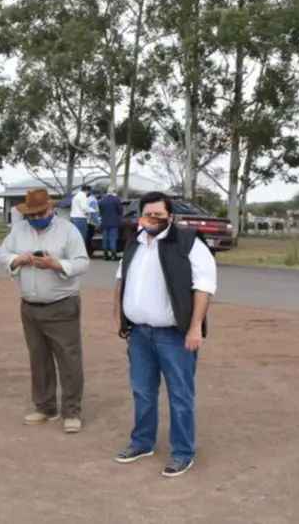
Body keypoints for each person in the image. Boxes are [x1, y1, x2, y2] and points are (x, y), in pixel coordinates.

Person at [112, 191, 217, 478]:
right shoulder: (135, 243)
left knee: (180, 395)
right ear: (141, 216)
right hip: (139, 335)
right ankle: (142, 443)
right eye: (148, 214)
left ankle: (182, 452)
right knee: (143, 392)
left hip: (175, 335)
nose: (153, 219)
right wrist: (119, 313)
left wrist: (195, 326)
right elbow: (121, 278)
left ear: (170, 216)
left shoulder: (188, 243)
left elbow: (204, 286)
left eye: (159, 215)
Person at [0, 188, 90, 433]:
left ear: (51, 209)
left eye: (41, 214)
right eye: (32, 215)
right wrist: (17, 260)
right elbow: (2, 254)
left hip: (62, 305)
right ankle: (45, 406)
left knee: (69, 360)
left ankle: (71, 411)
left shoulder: (68, 231)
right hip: (29, 306)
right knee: (39, 360)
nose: (37, 218)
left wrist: (56, 264)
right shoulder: (19, 231)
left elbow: (82, 262)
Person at [98, 190, 124, 261]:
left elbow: (100, 211)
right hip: (114, 222)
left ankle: (105, 254)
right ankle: (113, 254)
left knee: (105, 239)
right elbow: (120, 211)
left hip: (105, 222)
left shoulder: (102, 200)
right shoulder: (116, 200)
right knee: (112, 239)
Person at [85, 190, 102, 255]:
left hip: (87, 220)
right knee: (89, 237)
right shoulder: (93, 201)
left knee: (87, 237)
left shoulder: (87, 199)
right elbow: (93, 212)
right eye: (99, 194)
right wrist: (97, 221)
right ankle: (89, 251)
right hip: (91, 221)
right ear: (97, 194)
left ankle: (88, 250)